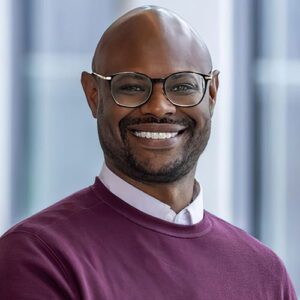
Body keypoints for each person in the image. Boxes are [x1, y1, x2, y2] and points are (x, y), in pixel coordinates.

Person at [0, 5, 297, 300]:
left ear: (212, 94)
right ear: (93, 95)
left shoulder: (264, 272)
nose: (158, 107)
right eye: (131, 86)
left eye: (182, 85)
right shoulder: (38, 258)